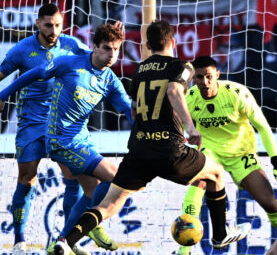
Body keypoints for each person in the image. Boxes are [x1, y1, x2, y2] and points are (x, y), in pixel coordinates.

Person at [53, 20, 251, 254]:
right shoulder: (182, 66)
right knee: (216, 174)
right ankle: (220, 235)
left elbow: (135, 110)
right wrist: (191, 127)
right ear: (173, 42)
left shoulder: (140, 70)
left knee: (108, 204)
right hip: (171, 150)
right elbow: (174, 90)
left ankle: (67, 241)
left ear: (147, 45)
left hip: (140, 150)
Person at [0, 22, 133, 255]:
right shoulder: (70, 63)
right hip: (59, 141)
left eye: (116, 50)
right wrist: (2, 96)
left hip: (81, 141)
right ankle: (84, 227)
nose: (111, 55)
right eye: (106, 48)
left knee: (92, 190)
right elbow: (34, 74)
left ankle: (66, 241)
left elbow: (127, 108)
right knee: (115, 178)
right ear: (94, 47)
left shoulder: (110, 80)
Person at [0, 3, 94, 255]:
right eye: (48, 25)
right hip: (32, 121)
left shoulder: (71, 45)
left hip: (62, 122)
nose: (54, 30)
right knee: (27, 177)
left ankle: (67, 240)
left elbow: (97, 60)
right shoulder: (23, 49)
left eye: (58, 25)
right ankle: (19, 242)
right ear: (38, 23)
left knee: (73, 176)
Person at [176, 55, 277, 255]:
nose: (205, 82)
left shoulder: (237, 93)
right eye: (200, 77)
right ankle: (184, 251)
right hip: (210, 151)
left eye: (209, 76)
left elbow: (262, 126)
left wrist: (276, 162)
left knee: (269, 202)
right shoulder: (189, 98)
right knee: (199, 183)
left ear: (217, 75)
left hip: (241, 153)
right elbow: (179, 127)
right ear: (193, 78)